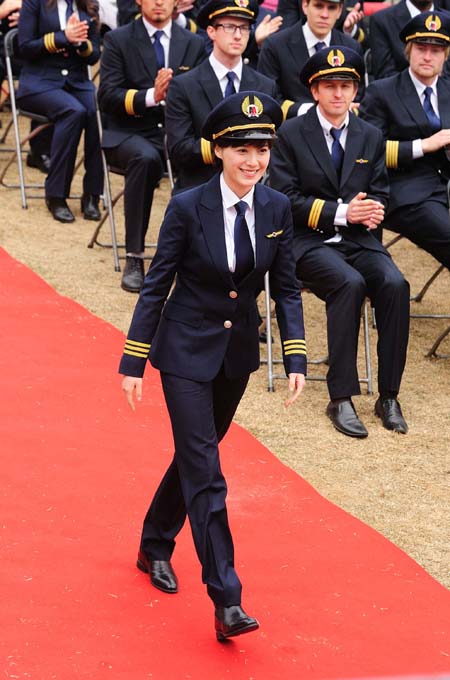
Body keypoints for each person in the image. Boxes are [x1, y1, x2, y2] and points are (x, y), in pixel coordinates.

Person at [119, 91, 307, 640]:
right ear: (218, 150)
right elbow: (157, 286)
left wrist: (294, 354)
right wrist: (134, 359)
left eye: (262, 149)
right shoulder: (185, 205)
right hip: (182, 351)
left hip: (236, 355)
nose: (253, 160)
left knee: (196, 455)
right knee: (207, 472)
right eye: (241, 148)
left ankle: (155, 541)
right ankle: (227, 597)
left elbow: (288, 287)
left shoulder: (275, 208)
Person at [270, 46, 410, 438]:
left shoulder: (370, 134)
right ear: (314, 91)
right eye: (329, 85)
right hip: (306, 241)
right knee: (347, 283)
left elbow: (380, 190)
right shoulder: (291, 133)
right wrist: (339, 212)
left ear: (355, 91)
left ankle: (389, 395)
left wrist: (375, 210)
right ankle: (341, 397)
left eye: (345, 85)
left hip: (358, 240)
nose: (338, 94)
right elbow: (283, 198)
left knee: (396, 284)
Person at [97, 0, 206, 293]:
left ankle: (198, 261)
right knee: (145, 160)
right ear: (138, 1)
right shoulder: (118, 39)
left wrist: (179, 100)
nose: (159, 2)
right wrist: (150, 96)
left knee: (205, 156)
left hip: (176, 134)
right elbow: (106, 97)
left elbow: (203, 93)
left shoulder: (193, 42)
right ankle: (135, 256)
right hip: (130, 132)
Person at [360, 11, 450, 273]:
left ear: (445, 56)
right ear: (408, 51)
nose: (427, 56)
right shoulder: (382, 91)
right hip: (405, 189)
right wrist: (425, 144)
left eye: (436, 50)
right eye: (421, 48)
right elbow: (367, 151)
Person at [165, 0, 280, 192]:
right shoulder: (184, 85)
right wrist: (230, 148)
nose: (238, 35)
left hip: (252, 189)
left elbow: (272, 144)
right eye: (229, 27)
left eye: (244, 28)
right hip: (199, 187)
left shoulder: (264, 85)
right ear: (211, 32)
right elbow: (178, 150)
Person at [16, 0, 103, 223]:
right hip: (39, 81)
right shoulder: (35, 3)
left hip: (76, 81)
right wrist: (62, 37)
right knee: (73, 111)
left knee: (97, 113)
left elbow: (94, 55)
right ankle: (56, 195)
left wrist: (81, 44)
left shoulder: (88, 6)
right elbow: (24, 47)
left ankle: (92, 194)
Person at [257, 0, 363, 119]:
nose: (324, 15)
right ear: (305, 6)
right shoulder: (276, 45)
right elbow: (267, 97)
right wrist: (307, 110)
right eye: (318, 6)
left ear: (339, 11)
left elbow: (358, 96)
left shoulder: (351, 47)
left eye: (332, 8)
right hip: (291, 129)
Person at [369, 0, 450, 80]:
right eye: (421, 48)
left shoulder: (447, 20)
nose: (427, 57)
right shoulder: (382, 20)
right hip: (399, 90)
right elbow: (384, 74)